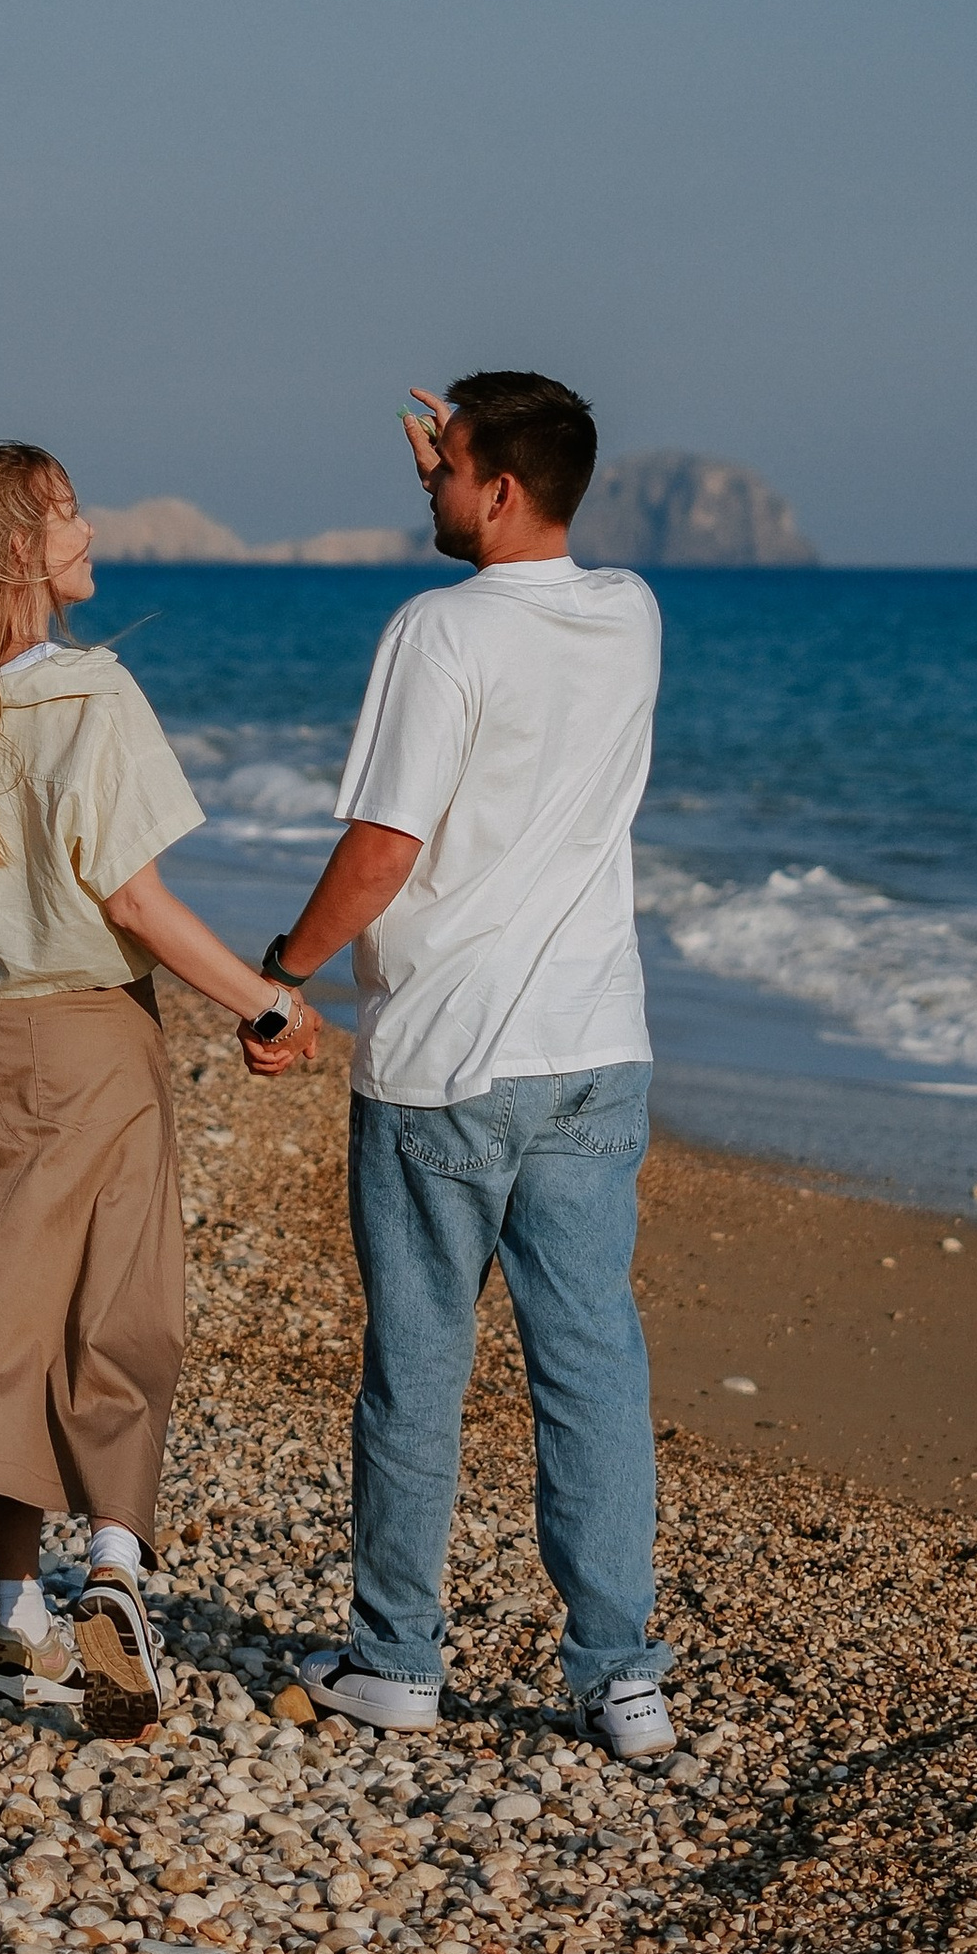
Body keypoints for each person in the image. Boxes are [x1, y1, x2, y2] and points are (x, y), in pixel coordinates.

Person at [0, 441, 320, 1737]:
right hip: (88, 1039)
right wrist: (265, 1002)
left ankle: (18, 1612)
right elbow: (133, 901)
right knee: (117, 1309)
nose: (92, 531)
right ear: (19, 550)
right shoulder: (94, 694)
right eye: (68, 514)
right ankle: (117, 1568)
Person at [247, 371, 676, 1759]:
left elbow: (386, 847)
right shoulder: (631, 613)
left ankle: (396, 1663)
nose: (426, 483)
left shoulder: (437, 631)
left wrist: (284, 969)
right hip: (595, 1049)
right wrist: (478, 471)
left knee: (418, 1372)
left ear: (493, 486)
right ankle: (622, 1679)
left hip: (448, 1057)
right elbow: (527, 557)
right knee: (590, 1364)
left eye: (446, 471)